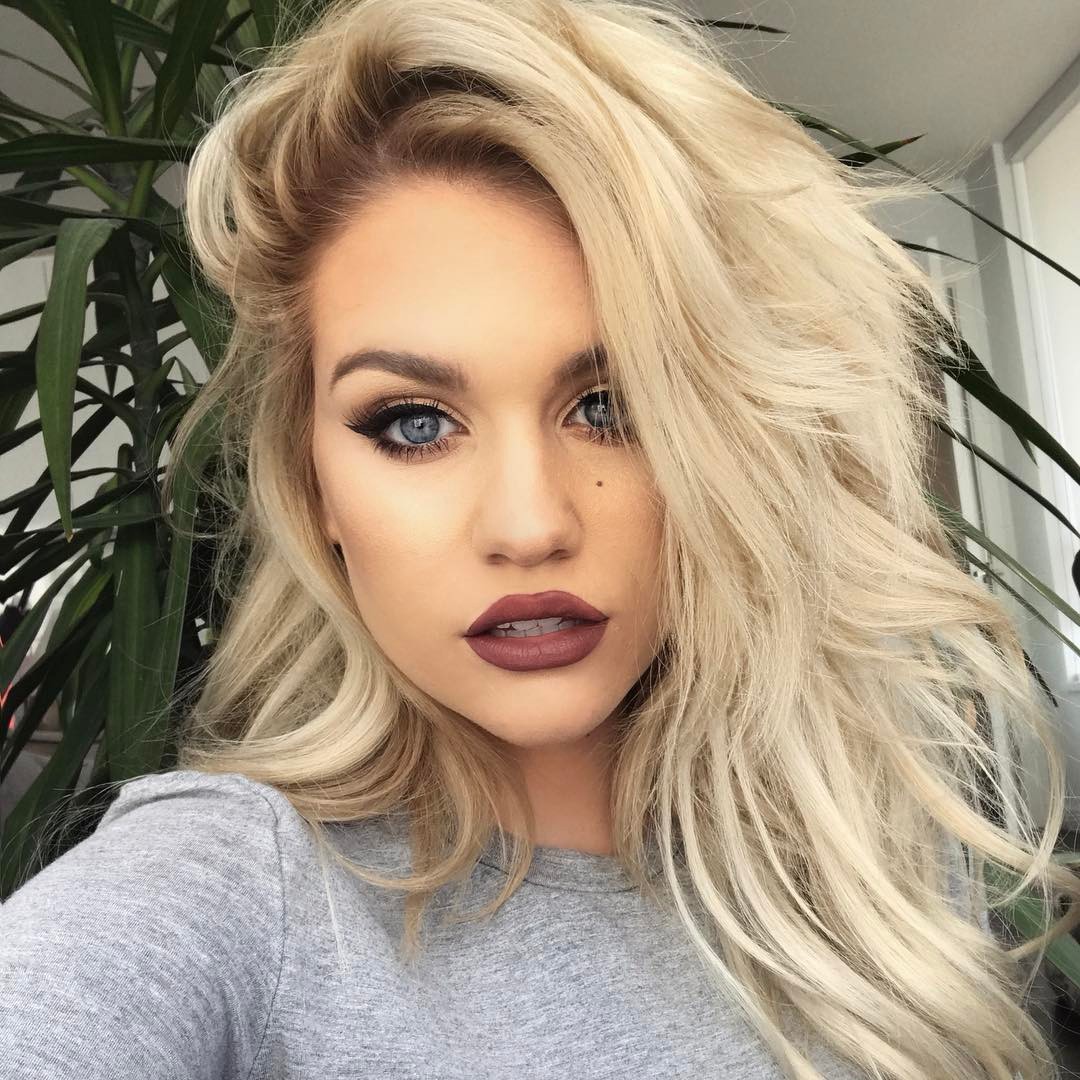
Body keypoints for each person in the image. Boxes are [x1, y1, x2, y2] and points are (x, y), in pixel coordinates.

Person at [1, 1, 1075, 1077]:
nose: (530, 526)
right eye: (412, 424)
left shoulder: (873, 852)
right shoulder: (233, 893)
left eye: (612, 406)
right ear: (310, 479)